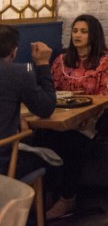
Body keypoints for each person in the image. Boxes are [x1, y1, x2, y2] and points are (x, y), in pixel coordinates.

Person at [42, 14, 108, 219]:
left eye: (83, 31)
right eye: (75, 30)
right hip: (61, 118)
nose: (77, 35)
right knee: (42, 138)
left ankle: (67, 199)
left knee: (73, 142)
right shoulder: (61, 60)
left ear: (93, 35)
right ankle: (46, 194)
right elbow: (50, 90)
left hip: (91, 120)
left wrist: (85, 116)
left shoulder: (107, 60)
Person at [0, 25, 56, 177]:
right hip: (4, 167)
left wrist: (16, 115)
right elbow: (46, 109)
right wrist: (43, 63)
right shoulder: (19, 72)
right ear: (13, 51)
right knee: (53, 158)